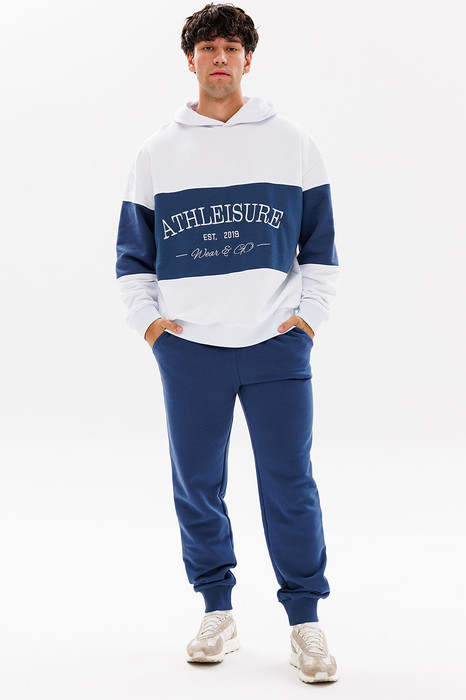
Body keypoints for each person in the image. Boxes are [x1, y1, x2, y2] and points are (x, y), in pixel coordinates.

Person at [115, 2, 340, 685]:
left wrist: (307, 321)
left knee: (289, 481)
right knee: (197, 483)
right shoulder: (157, 152)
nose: (220, 57)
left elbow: (321, 247)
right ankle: (217, 610)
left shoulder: (292, 142)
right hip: (190, 351)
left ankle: (305, 621)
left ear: (248, 59)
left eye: (232, 47)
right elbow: (133, 258)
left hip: (276, 345)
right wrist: (152, 328)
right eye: (208, 47)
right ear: (190, 60)